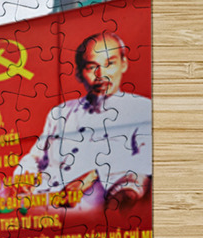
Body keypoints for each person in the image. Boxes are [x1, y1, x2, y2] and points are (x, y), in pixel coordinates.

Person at [13, 31, 151, 206]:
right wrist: (24, 174)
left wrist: (92, 176)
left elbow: (145, 163)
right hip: (42, 204)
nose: (101, 74)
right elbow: (35, 157)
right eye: (92, 67)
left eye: (110, 64)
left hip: (95, 208)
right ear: (79, 73)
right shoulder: (60, 113)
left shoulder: (143, 110)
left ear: (124, 64)